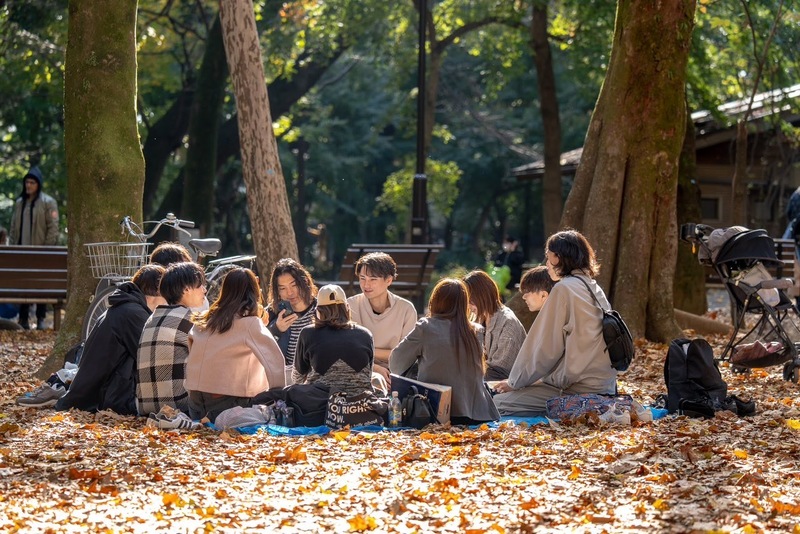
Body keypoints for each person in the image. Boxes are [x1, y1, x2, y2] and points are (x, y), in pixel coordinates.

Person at [492, 230, 618, 416]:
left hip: (578, 388)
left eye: (548, 257)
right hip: (604, 384)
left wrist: (514, 382)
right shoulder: (592, 286)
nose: (547, 264)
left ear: (559, 257)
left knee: (497, 403)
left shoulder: (563, 289)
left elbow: (544, 348)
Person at [16, 265, 165, 410]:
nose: (169, 302)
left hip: (94, 391)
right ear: (157, 294)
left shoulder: (124, 306)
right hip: (109, 396)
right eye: (167, 296)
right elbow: (151, 359)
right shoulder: (133, 314)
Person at [389, 278, 499, 425]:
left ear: (435, 301)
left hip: (435, 410)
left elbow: (395, 363)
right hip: (476, 413)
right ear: (463, 304)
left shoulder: (426, 327)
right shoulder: (476, 330)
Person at [185, 267, 285, 423]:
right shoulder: (249, 324)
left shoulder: (203, 320)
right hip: (228, 402)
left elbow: (192, 351)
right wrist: (279, 397)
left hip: (195, 401)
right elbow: (275, 361)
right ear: (254, 291)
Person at [136, 261, 207, 416]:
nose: (204, 290)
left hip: (145, 406)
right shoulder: (191, 320)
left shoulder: (152, 318)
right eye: (200, 285)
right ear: (187, 289)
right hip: (179, 406)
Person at [347, 252, 418, 391]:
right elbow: (347, 350)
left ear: (389, 280)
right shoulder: (350, 306)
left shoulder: (406, 309)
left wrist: (369, 351)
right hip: (360, 369)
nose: (366, 284)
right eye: (362, 278)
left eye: (373, 279)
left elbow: (406, 355)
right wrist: (374, 368)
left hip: (398, 372)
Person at [294, 284, 375, 396]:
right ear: (347, 308)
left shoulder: (308, 333)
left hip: (320, 405)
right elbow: (368, 375)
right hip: (360, 407)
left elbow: (297, 379)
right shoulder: (365, 334)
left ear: (318, 311)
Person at [9, 166, 59, 330]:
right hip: (22, 252)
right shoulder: (19, 203)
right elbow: (13, 228)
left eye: (32, 182)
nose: (28, 185)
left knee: (41, 286)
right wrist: (14, 249)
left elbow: (53, 228)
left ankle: (40, 318)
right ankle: (23, 318)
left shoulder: (47, 203)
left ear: (38, 184)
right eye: (27, 182)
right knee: (24, 284)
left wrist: (46, 250)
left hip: (41, 253)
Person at [462, 270, 526, 380]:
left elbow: (500, 371)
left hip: (504, 384)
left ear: (481, 296)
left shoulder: (508, 323)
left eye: (470, 301)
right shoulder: (479, 318)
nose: (468, 306)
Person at [266, 258, 318, 383]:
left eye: (294, 285)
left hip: (317, 375)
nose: (290, 292)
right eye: (282, 288)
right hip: (286, 377)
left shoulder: (321, 309)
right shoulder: (272, 314)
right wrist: (276, 330)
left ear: (304, 282)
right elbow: (259, 348)